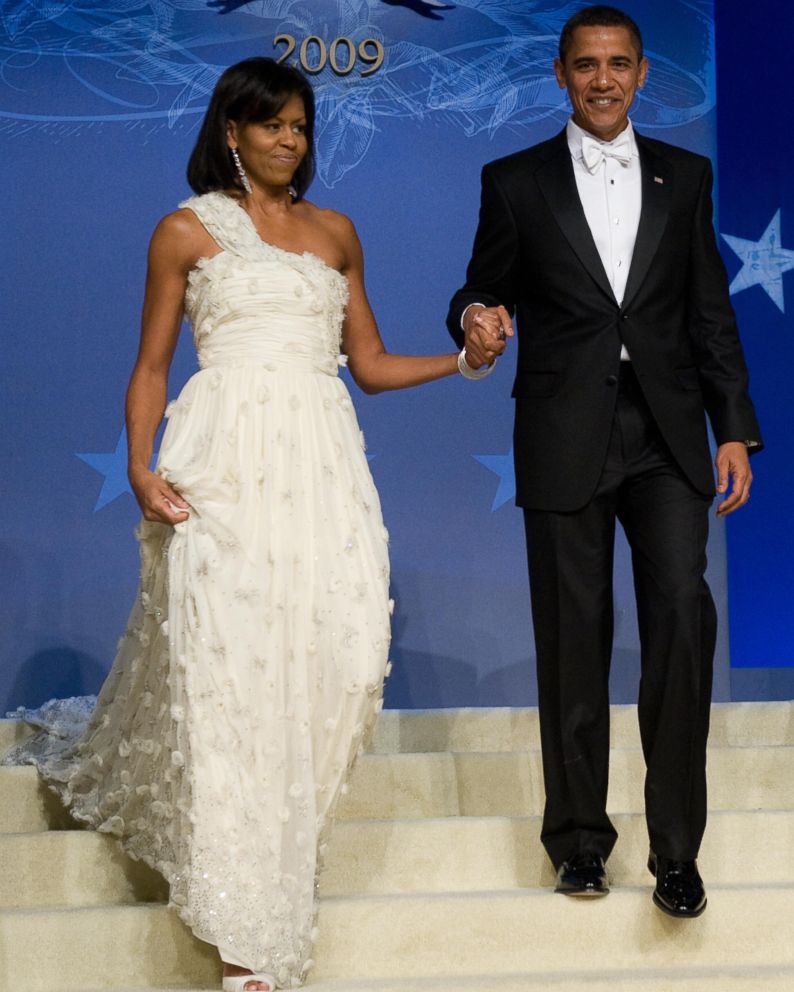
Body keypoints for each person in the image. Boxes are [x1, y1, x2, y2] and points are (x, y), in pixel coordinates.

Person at [5, 58, 460, 991]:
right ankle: (247, 933)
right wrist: (139, 465)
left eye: (300, 125)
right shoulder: (185, 230)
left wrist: (467, 361)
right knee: (230, 681)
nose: (290, 140)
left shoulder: (337, 233)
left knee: (340, 659)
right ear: (232, 131)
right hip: (223, 467)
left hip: (324, 468)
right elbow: (150, 365)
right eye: (273, 125)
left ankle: (278, 867)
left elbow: (366, 365)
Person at [446, 5, 762, 919]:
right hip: (562, 430)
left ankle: (676, 855)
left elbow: (710, 311)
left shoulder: (686, 175)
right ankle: (580, 845)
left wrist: (732, 426)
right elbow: (482, 282)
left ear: (641, 72)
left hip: (668, 437)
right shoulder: (514, 180)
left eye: (618, 63)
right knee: (572, 641)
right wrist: (472, 315)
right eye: (585, 64)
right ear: (559, 74)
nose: (603, 79)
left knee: (679, 622)